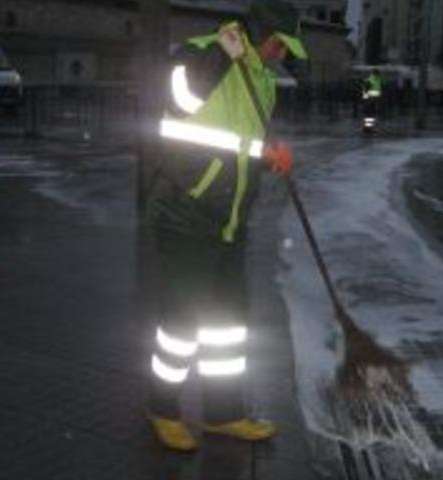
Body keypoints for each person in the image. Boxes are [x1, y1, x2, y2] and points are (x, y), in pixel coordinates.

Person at [144, 0, 307, 452]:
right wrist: (221, 53)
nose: (280, 54)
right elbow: (180, 102)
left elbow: (239, 143)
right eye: (278, 44)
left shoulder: (262, 79)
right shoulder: (197, 53)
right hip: (185, 210)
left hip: (230, 218)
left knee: (227, 327)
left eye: (286, 48)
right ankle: (162, 408)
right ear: (258, 33)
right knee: (180, 324)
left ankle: (223, 413)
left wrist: (269, 154)